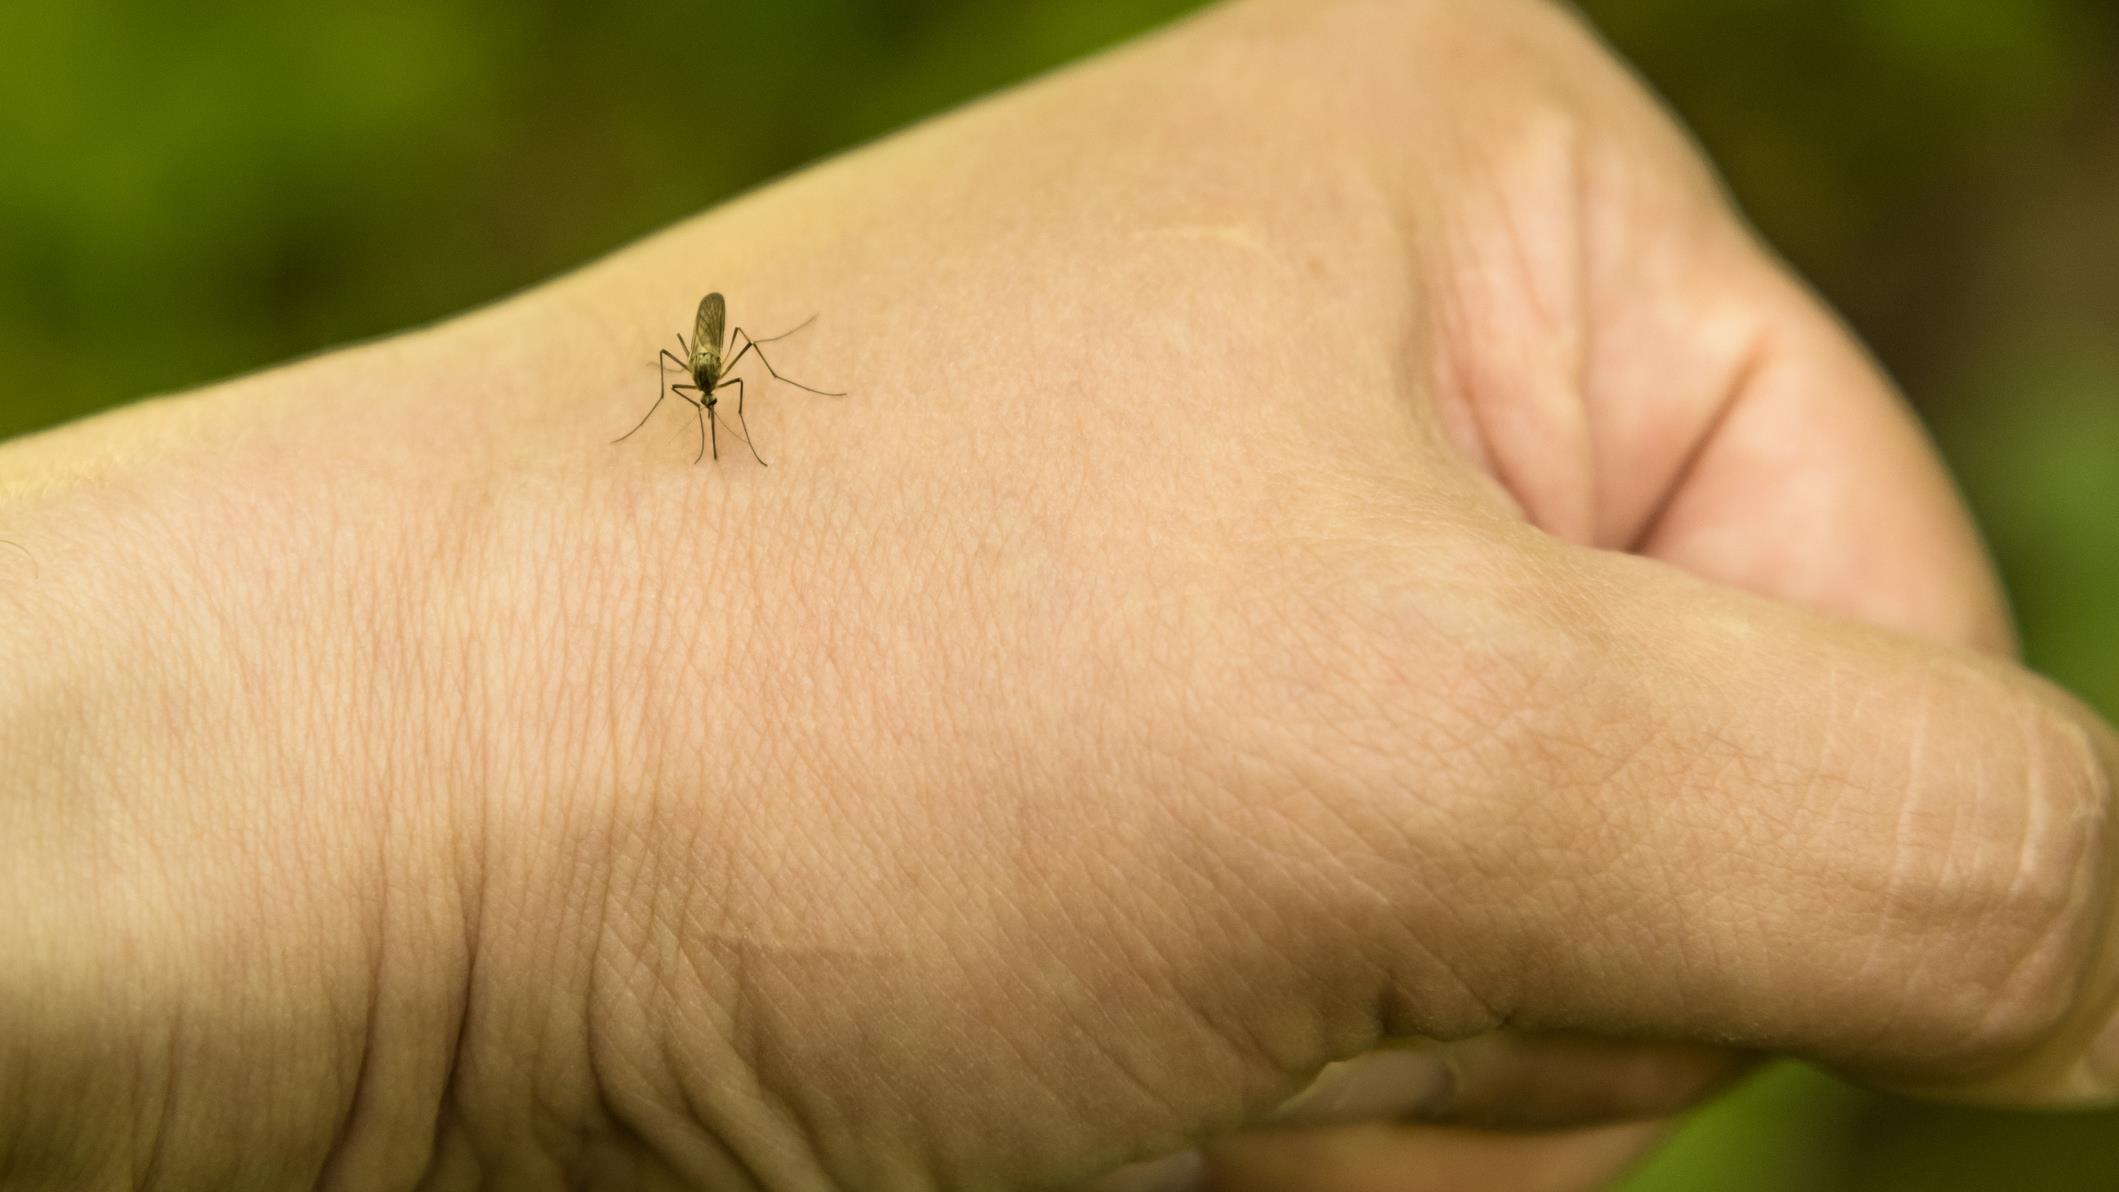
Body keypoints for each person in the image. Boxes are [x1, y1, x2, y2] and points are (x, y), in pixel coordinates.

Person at [1, 0, 2113, 1188]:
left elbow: (738, 370)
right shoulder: (698, 374)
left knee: (742, 406)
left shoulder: (747, 362)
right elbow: (691, 384)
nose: (721, 376)